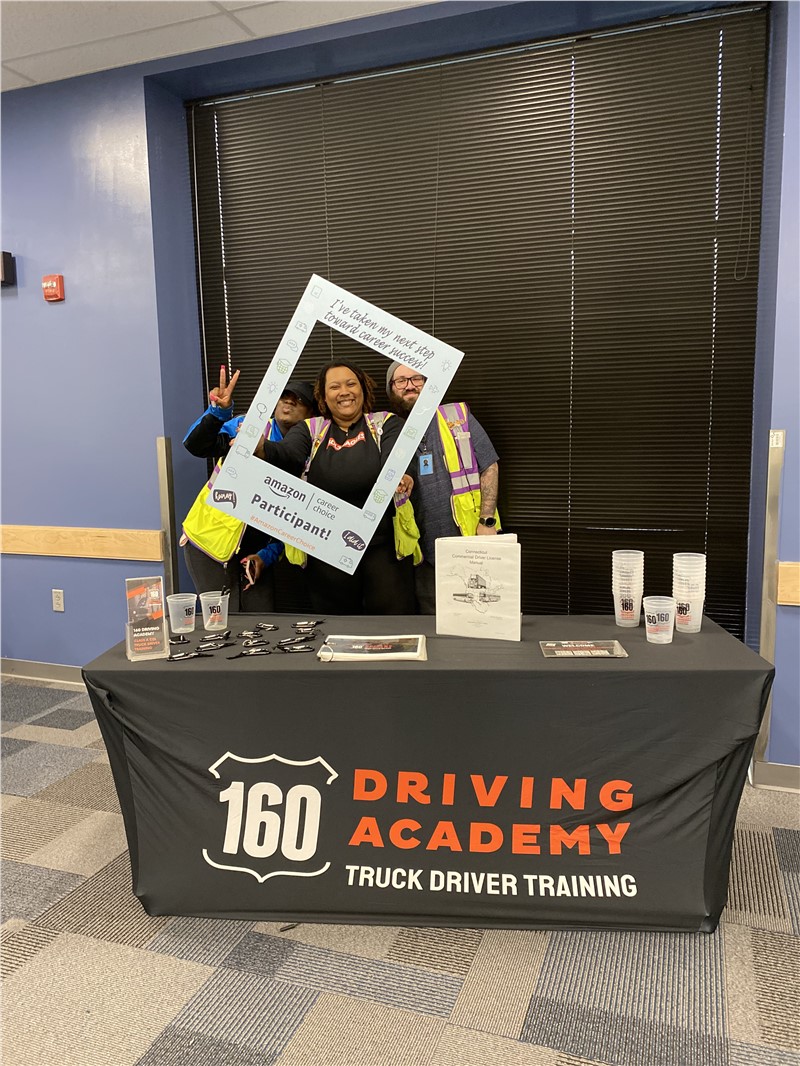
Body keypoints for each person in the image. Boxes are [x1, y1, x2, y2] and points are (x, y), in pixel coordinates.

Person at [255, 361, 418, 615]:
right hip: (327, 552)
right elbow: (287, 454)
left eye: (351, 384)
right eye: (334, 386)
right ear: (323, 395)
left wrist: (401, 475)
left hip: (383, 549)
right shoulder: (310, 430)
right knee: (337, 629)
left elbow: (396, 459)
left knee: (392, 628)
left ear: (363, 389)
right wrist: (262, 447)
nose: (344, 391)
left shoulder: (386, 423)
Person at [181, 367, 315, 611]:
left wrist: (267, 555)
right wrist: (218, 412)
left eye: (299, 401)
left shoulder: (310, 451)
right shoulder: (248, 426)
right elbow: (195, 445)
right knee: (220, 625)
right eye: (285, 397)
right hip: (208, 541)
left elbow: (299, 518)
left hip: (256, 551)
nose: (288, 402)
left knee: (260, 625)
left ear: (311, 414)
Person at [386, 361, 500, 614]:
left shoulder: (457, 417)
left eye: (417, 379)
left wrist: (487, 521)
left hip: (470, 538)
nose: (410, 386)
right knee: (433, 619)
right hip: (422, 551)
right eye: (401, 381)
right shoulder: (390, 431)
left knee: (479, 615)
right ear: (392, 389)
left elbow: (489, 467)